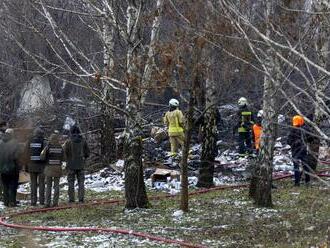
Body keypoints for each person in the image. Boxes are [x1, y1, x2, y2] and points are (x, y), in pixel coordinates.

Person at [63, 126, 89, 203]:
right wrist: (84, 158)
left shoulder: (68, 141)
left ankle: (71, 200)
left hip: (71, 165)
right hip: (81, 165)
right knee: (81, 182)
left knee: (71, 182)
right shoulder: (83, 141)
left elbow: (64, 153)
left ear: (71, 132)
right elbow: (87, 153)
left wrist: (67, 160)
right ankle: (81, 199)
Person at [42, 132, 64, 207]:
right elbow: (64, 158)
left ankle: (47, 203)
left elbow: (42, 157)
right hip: (57, 168)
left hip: (49, 168)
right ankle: (55, 203)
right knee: (56, 186)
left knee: (48, 186)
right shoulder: (60, 147)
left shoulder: (48, 147)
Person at [0, 129, 21, 207]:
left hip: (2, 169)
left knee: (5, 186)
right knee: (13, 186)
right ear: (12, 134)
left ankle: (6, 202)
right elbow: (17, 156)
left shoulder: (0, 143)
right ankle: (12, 202)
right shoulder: (15, 143)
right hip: (13, 168)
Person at [26, 127, 46, 206]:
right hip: (41, 166)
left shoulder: (29, 141)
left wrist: (26, 165)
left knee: (33, 184)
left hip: (31, 165)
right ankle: (41, 201)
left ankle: (33, 201)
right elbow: (46, 154)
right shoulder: (44, 142)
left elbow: (26, 153)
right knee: (41, 184)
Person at [287, 115, 309, 186]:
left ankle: (297, 183)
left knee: (297, 167)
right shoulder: (305, 130)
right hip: (302, 150)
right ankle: (307, 181)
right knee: (305, 166)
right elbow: (310, 138)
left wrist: (294, 143)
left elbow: (288, 141)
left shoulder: (292, 130)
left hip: (296, 151)